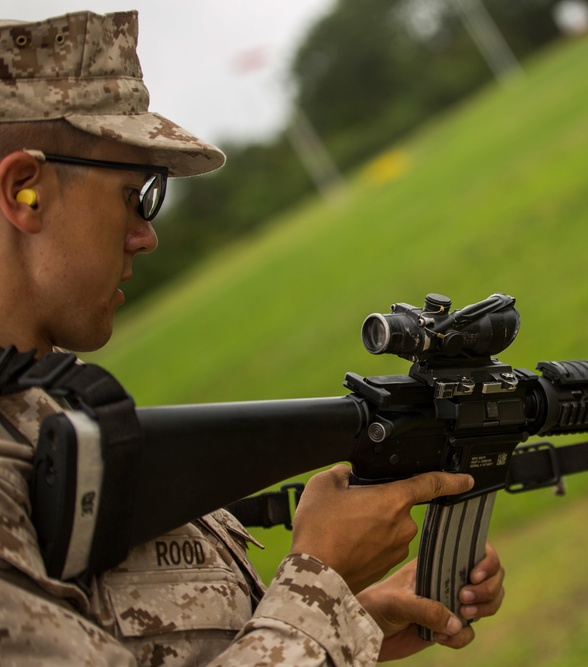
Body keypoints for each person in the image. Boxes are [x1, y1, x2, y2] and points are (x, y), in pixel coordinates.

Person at [0, 10, 504, 665]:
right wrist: (317, 585)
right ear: (24, 191)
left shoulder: (44, 406)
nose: (146, 233)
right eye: (138, 194)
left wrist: (352, 621)